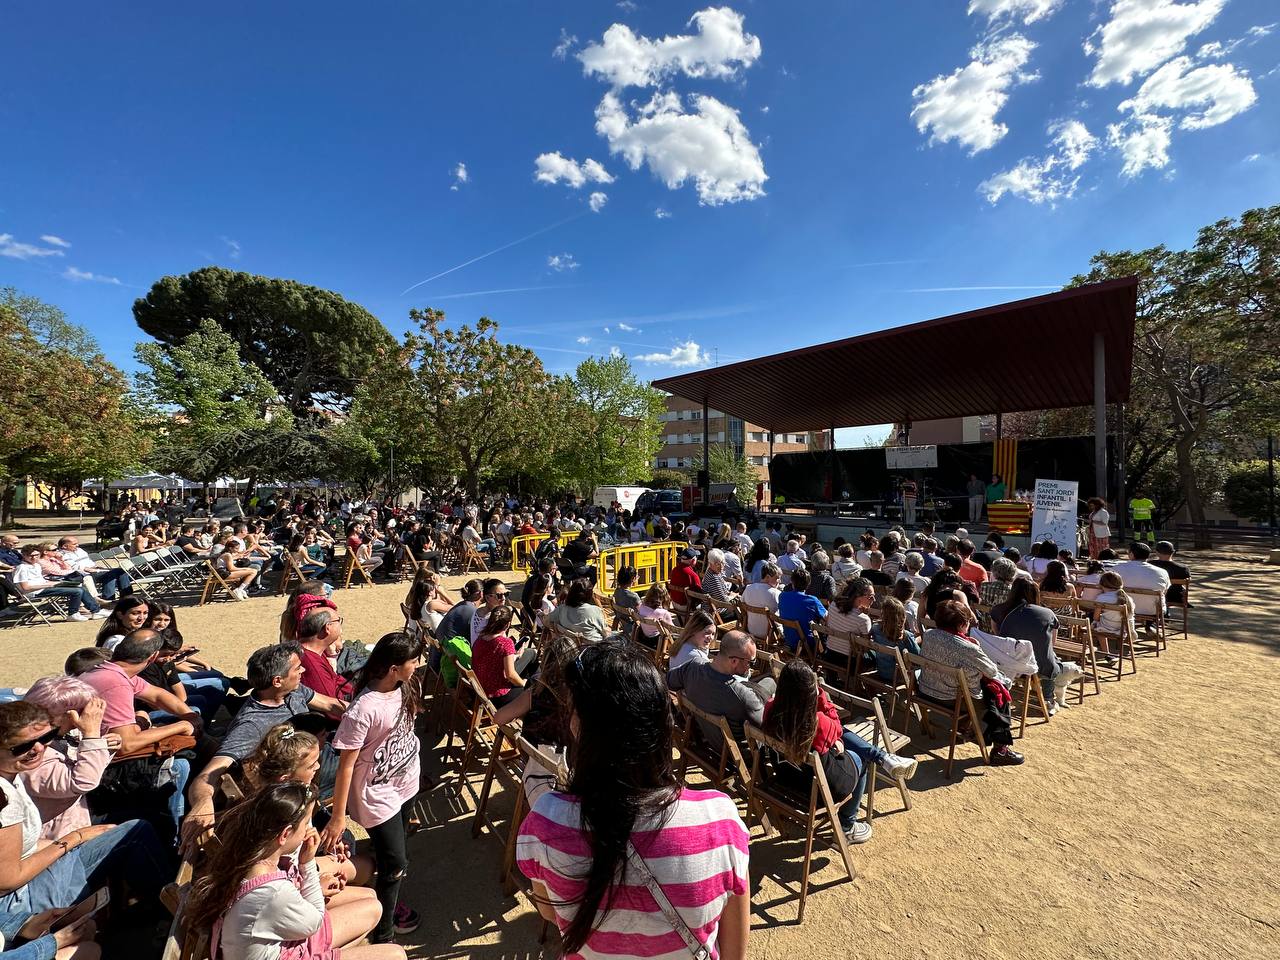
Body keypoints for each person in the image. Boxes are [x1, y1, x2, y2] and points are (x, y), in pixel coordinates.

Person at [517, 641, 750, 960]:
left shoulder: (544, 822)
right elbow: (735, 950)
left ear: (578, 725)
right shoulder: (720, 820)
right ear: (661, 725)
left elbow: (547, 911)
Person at [187, 782, 405, 960]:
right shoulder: (273, 892)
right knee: (395, 954)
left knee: (373, 905)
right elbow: (314, 920)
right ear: (285, 834)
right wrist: (307, 862)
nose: (309, 831)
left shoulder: (248, 860)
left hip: (285, 945)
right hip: (292, 946)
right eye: (304, 826)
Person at [0, 701, 170, 917]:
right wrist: (74, 838)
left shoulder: (11, 776)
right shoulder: (5, 799)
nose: (39, 748)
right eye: (22, 747)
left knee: (131, 828)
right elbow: (7, 880)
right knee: (137, 832)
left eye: (45, 738)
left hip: (31, 874)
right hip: (19, 901)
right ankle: (171, 912)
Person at [182, 645, 347, 853]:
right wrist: (203, 802)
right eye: (297, 668)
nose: (303, 671)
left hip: (316, 758)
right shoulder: (251, 725)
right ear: (277, 681)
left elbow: (331, 705)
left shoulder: (293, 691)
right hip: (298, 777)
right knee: (365, 767)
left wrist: (367, 713)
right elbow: (209, 774)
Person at [320, 633, 424, 943]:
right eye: (413, 661)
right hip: (377, 795)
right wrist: (339, 817)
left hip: (405, 782)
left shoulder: (405, 687)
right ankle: (385, 931)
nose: (418, 666)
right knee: (396, 863)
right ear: (394, 668)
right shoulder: (363, 709)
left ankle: (386, 901)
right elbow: (346, 766)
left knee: (392, 854)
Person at [762, 660, 916, 845]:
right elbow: (838, 727)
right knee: (860, 759)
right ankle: (847, 826)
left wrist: (833, 740)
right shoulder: (817, 721)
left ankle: (884, 758)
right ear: (809, 692)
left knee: (842, 742)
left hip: (788, 777)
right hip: (819, 789)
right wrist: (821, 697)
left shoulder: (770, 708)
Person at [918, 600, 1023, 765]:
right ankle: (1001, 749)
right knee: (998, 692)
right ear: (961, 625)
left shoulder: (929, 635)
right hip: (953, 699)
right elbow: (992, 671)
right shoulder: (968, 648)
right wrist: (978, 648)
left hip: (926, 691)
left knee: (981, 684)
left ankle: (964, 726)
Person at [19, 679, 117, 839]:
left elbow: (87, 770)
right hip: (56, 840)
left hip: (77, 821)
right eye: (81, 711)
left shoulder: (59, 738)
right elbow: (82, 781)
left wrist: (103, 747)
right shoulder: (30, 752)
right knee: (141, 828)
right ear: (65, 715)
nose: (84, 717)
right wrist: (91, 734)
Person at [994, 580, 1080, 712]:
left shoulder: (998, 610)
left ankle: (1039, 691)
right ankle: (1048, 698)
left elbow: (999, 635)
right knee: (1050, 658)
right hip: (1038, 665)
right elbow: (1052, 643)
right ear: (1036, 594)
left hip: (1007, 662)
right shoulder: (1047, 613)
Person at [9, 547, 106, 622]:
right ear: (24, 556)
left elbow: (42, 580)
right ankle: (72, 614)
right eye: (31, 556)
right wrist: (49, 585)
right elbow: (26, 587)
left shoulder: (36, 565)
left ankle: (96, 611)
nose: (34, 558)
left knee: (79, 585)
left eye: (37, 555)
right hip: (34, 592)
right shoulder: (22, 568)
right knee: (77, 591)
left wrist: (55, 583)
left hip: (44, 587)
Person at [471, 607, 526, 707]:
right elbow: (510, 675)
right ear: (508, 624)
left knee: (529, 654)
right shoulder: (505, 643)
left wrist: (516, 656)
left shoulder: (481, 637)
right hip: (497, 696)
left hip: (480, 689)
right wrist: (523, 684)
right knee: (530, 691)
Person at [823, 578, 873, 669]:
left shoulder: (834, 605)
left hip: (830, 654)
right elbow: (866, 648)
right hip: (850, 661)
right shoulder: (864, 620)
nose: (874, 600)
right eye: (871, 597)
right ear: (858, 596)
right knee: (875, 656)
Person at [870, 597, 921, 683]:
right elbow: (918, 657)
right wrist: (919, 638)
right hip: (900, 676)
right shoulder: (906, 636)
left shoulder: (875, 629)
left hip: (882, 671)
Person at [776, 569, 826, 656]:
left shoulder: (782, 596)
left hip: (789, 639)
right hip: (808, 643)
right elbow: (827, 617)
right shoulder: (812, 600)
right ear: (808, 584)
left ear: (792, 582)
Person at [548, 580, 610, 644]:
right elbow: (606, 633)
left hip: (570, 649)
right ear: (589, 594)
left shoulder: (561, 609)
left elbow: (548, 620)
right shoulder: (594, 611)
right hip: (594, 649)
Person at [1150, 541, 1191, 606]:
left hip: (1155, 596)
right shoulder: (1183, 568)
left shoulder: (1150, 565)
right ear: (1173, 552)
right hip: (1175, 597)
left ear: (1157, 553)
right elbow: (1188, 581)